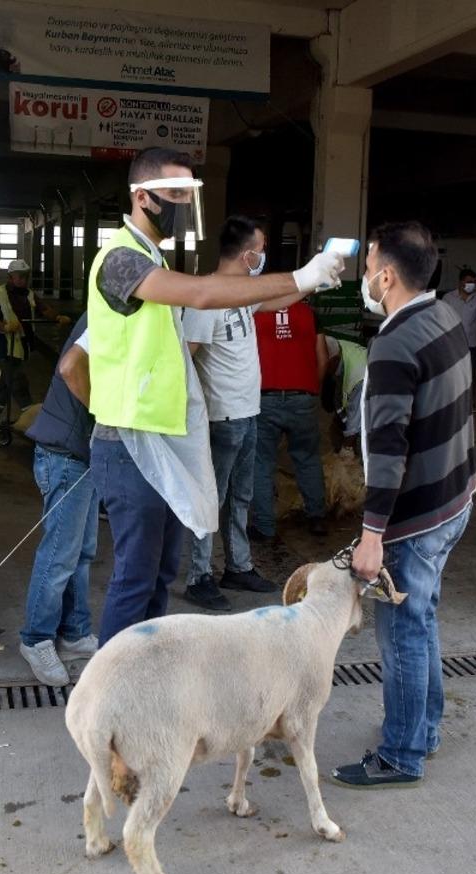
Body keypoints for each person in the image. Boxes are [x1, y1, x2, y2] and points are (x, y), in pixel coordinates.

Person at [81, 146, 344, 647]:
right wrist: (300, 275)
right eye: (175, 194)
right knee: (135, 578)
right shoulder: (119, 258)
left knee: (158, 576)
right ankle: (109, 692)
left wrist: (312, 283)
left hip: (165, 439)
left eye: (188, 194)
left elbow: (249, 295)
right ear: (142, 197)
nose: (184, 203)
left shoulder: (152, 256)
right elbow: (204, 294)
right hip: (129, 442)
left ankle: (149, 672)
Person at [332, 221, 475, 788]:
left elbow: (387, 452)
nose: (365, 275)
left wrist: (372, 537)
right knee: (423, 618)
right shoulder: (447, 318)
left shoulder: (392, 346)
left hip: (415, 519)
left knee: (404, 633)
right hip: (454, 502)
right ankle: (425, 728)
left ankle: (400, 755)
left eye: (368, 266)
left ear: (387, 275)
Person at [181, 217, 280, 611]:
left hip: (248, 412)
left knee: (241, 497)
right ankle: (198, 576)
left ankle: (238, 566)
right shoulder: (206, 299)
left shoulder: (239, 294)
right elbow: (185, 359)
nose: (264, 257)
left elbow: (272, 298)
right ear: (247, 254)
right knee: (211, 498)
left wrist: (312, 281)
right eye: (262, 248)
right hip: (221, 418)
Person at [17, 314, 98, 687]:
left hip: (84, 454)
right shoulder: (107, 313)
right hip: (64, 454)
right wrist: (101, 413)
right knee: (59, 555)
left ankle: (74, 631)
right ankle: (36, 638)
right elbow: (70, 369)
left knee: (81, 552)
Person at [249, 294, 329, 541]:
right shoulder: (310, 313)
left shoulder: (255, 311)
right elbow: (323, 358)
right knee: (307, 459)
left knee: (262, 463)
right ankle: (317, 518)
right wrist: (311, 388)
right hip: (303, 396)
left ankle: (264, 527)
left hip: (265, 396)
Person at [0, 259, 69, 427]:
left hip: (21, 345)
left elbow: (43, 309)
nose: (24, 279)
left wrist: (57, 317)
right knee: (17, 381)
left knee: (4, 385)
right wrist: (5, 326)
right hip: (4, 345)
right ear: (10, 277)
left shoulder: (29, 294)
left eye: (26, 276)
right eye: (20, 276)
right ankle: (31, 418)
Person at [442, 268, 476, 410]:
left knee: (470, 375)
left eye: (474, 282)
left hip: (471, 345)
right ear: (461, 282)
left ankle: (469, 404)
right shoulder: (448, 298)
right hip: (452, 345)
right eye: (469, 282)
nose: (471, 284)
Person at [320, 334, 368, 453]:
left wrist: (346, 451)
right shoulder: (337, 346)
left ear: (334, 360)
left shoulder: (357, 377)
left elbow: (354, 421)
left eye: (322, 363)